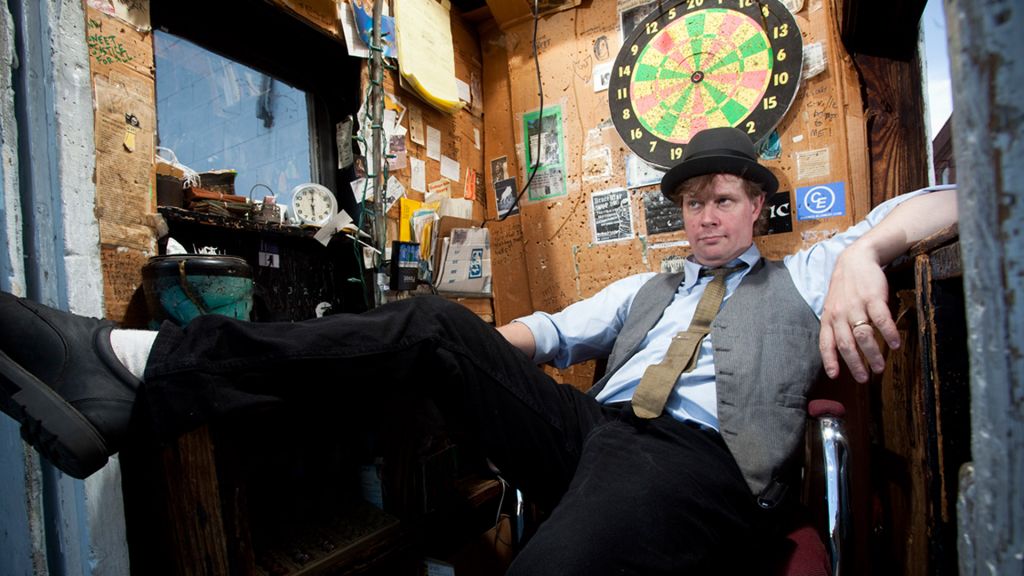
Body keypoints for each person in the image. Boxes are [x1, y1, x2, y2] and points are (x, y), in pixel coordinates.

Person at [0, 127, 957, 574]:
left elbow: (945, 207)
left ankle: (126, 384)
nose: (704, 214)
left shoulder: (811, 265)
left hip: (697, 463)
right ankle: (140, 367)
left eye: (723, 200)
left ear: (755, 207)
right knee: (428, 324)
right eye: (693, 200)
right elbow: (532, 338)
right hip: (589, 432)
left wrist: (868, 249)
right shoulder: (649, 284)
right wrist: (420, 355)